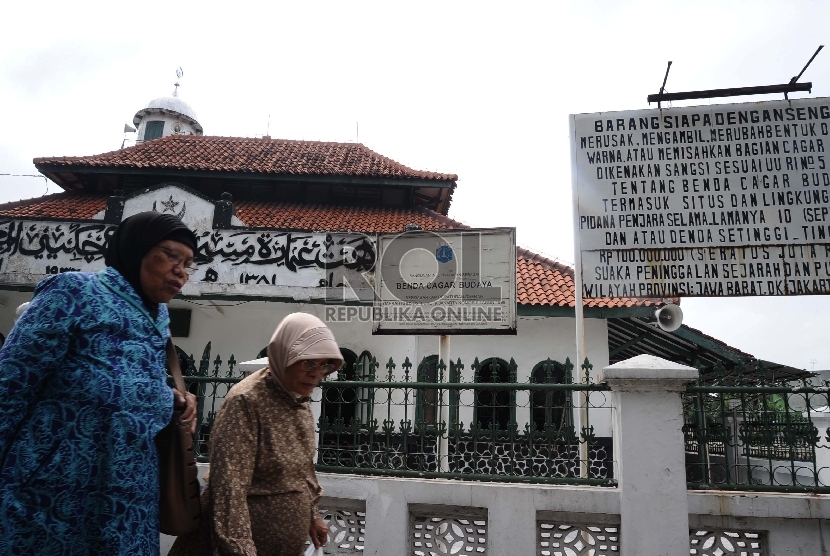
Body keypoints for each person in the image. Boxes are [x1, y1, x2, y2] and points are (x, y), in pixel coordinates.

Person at [0, 211, 199, 555]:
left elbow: (126, 384)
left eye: (188, 263)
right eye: (170, 255)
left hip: (129, 505)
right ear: (136, 250)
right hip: (52, 499)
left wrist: (172, 400)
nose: (180, 271)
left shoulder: (158, 318)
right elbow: (11, 386)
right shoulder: (74, 292)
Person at [174, 312, 341, 556]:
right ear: (285, 356)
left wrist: (311, 515)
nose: (316, 373)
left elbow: (301, 469)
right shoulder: (247, 401)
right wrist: (240, 548)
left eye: (324, 364)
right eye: (308, 362)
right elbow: (229, 486)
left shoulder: (298, 400)